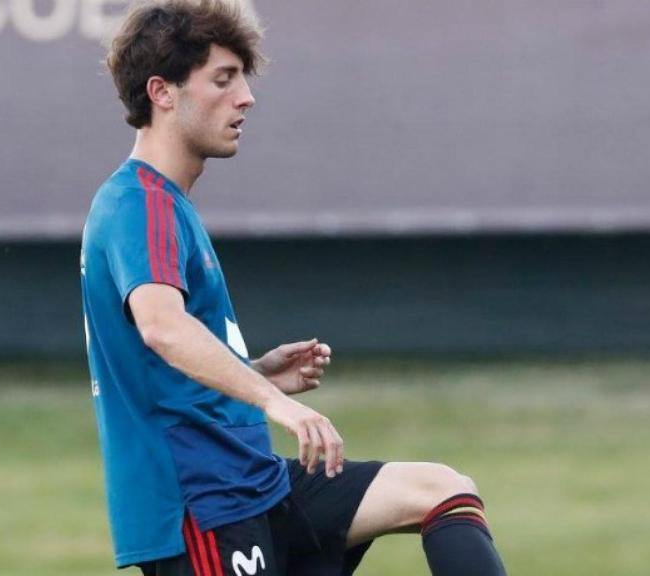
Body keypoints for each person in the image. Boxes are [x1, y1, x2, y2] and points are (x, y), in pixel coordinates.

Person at [81, 1, 507, 574]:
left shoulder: (164, 204)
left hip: (255, 483)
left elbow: (164, 369)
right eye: (223, 79)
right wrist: (274, 402)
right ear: (163, 92)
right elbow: (161, 327)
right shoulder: (140, 203)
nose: (245, 97)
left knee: (443, 491)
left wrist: (251, 372)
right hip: (204, 508)